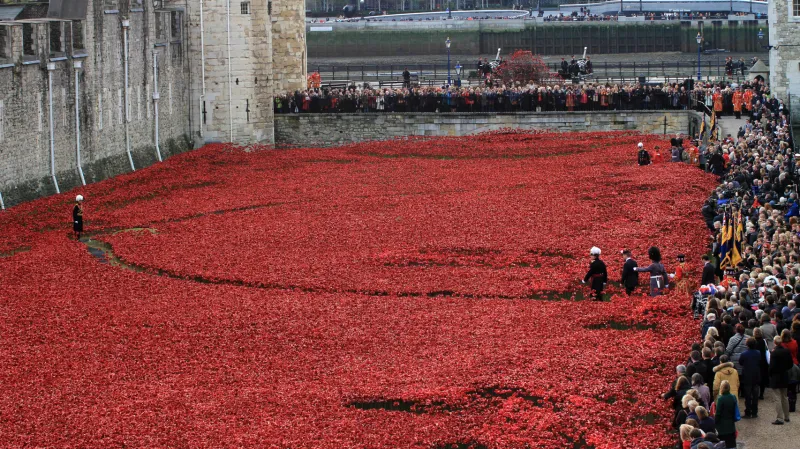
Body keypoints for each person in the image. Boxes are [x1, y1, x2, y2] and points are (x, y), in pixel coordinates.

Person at [769, 335, 793, 425]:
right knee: (784, 397)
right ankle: (787, 416)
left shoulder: (774, 353)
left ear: (775, 342)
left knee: (777, 398)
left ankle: (780, 418)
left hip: (776, 376)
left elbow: (771, 367)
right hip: (784, 375)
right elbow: (790, 364)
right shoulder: (786, 351)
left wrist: (770, 375)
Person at [738, 337, 762, 418]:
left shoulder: (744, 354)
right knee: (755, 395)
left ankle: (748, 412)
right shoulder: (758, 353)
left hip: (747, 376)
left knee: (747, 396)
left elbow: (740, 362)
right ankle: (754, 412)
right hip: (756, 376)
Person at [715, 380, 739, 449]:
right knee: (731, 445)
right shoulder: (733, 397)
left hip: (722, 427)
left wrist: (715, 422)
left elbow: (718, 413)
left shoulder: (720, 399)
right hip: (731, 425)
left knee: (722, 445)